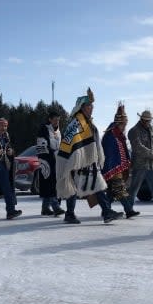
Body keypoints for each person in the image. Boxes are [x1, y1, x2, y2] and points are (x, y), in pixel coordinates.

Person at [56, 88, 123, 224]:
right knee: (75, 187)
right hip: (78, 162)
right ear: (81, 108)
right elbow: (71, 142)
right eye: (88, 106)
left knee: (97, 186)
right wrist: (77, 158)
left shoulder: (87, 123)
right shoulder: (76, 123)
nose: (91, 108)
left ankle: (106, 212)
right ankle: (71, 214)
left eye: (92, 106)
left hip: (89, 161)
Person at [101, 103, 140, 219]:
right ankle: (129, 210)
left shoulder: (119, 135)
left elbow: (122, 151)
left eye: (125, 124)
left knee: (111, 192)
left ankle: (106, 210)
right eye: (124, 124)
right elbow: (110, 153)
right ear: (118, 123)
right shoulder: (110, 135)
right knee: (119, 188)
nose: (125, 127)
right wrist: (114, 166)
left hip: (117, 167)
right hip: (112, 167)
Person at [36, 110, 65, 217]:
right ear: (50, 119)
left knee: (51, 184)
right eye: (55, 120)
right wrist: (51, 155)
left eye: (58, 120)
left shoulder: (58, 131)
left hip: (57, 160)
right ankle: (55, 206)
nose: (57, 122)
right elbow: (42, 146)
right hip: (47, 160)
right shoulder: (44, 129)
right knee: (50, 184)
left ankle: (45, 208)